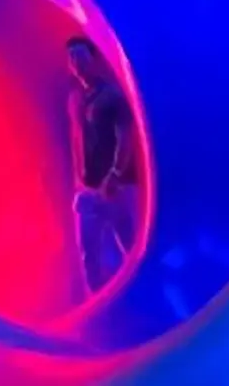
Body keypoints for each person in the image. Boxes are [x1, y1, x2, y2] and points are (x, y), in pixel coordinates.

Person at [65, 36, 142, 299]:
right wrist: (78, 182)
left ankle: (141, 299)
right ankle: (100, 305)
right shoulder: (75, 98)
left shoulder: (112, 96)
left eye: (81, 56)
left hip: (115, 187)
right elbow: (76, 140)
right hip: (87, 189)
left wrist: (115, 174)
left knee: (131, 247)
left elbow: (125, 137)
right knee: (88, 255)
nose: (77, 62)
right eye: (72, 58)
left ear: (94, 59)